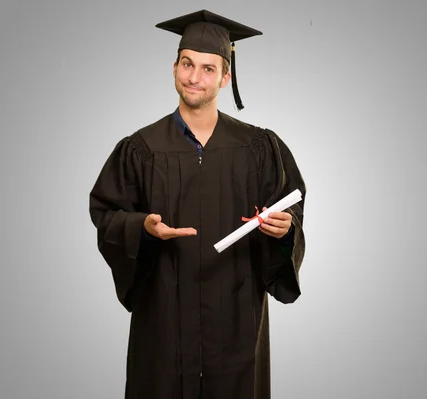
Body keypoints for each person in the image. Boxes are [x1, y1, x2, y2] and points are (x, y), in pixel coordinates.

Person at [89, 9, 306, 399]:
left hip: (237, 316)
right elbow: (106, 214)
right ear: (174, 67)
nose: (194, 77)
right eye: (187, 64)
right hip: (163, 318)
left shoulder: (258, 148)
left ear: (225, 77)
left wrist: (284, 228)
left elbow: (290, 210)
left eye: (208, 68)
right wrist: (143, 226)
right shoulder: (140, 149)